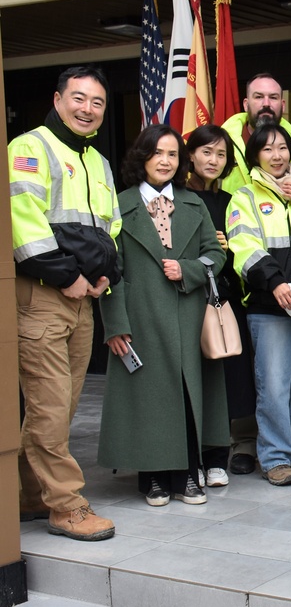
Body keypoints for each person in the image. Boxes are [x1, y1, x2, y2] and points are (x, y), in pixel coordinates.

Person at [10, 66, 119, 540]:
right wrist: (67, 275)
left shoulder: (96, 159)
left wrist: (101, 276)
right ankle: (66, 507)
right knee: (51, 407)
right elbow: (23, 221)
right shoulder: (30, 147)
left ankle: (28, 495)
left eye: (96, 102)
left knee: (60, 407)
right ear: (57, 100)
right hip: (43, 297)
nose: (87, 108)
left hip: (83, 298)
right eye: (78, 98)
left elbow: (109, 227)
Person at [99, 124, 229, 507]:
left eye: (173, 154)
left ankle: (189, 475)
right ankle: (153, 477)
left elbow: (216, 255)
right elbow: (111, 268)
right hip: (140, 316)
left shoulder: (194, 203)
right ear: (142, 157)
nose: (166, 161)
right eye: (157, 153)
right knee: (149, 398)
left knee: (189, 397)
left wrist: (187, 269)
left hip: (188, 314)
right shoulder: (119, 204)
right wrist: (115, 323)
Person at [220, 72, 291, 473]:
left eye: (283, 148)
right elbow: (243, 247)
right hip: (270, 303)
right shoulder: (244, 196)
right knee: (273, 386)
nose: (277, 155)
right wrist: (275, 281)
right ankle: (274, 458)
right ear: (255, 156)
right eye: (268, 149)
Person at [186, 124, 256, 488]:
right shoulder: (178, 197)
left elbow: (240, 253)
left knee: (232, 374)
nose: (213, 160)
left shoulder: (231, 202)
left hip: (225, 299)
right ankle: (192, 452)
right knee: (193, 376)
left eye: (221, 154)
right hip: (186, 299)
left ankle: (235, 448)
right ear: (191, 154)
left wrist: (227, 247)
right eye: (206, 152)